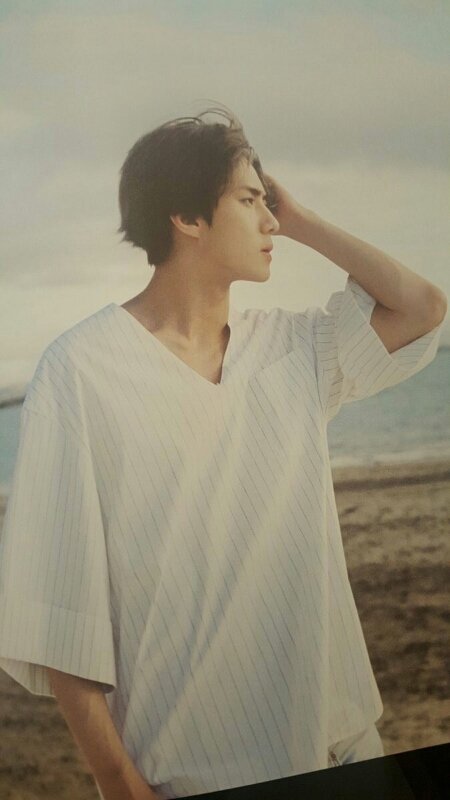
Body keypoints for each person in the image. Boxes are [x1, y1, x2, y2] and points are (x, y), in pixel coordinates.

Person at [0, 104, 447, 800]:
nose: (270, 222)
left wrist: (301, 220)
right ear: (187, 216)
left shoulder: (294, 348)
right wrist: (119, 782)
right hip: (192, 772)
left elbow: (421, 309)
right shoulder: (80, 371)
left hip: (345, 753)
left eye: (269, 204)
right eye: (249, 201)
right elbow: (60, 604)